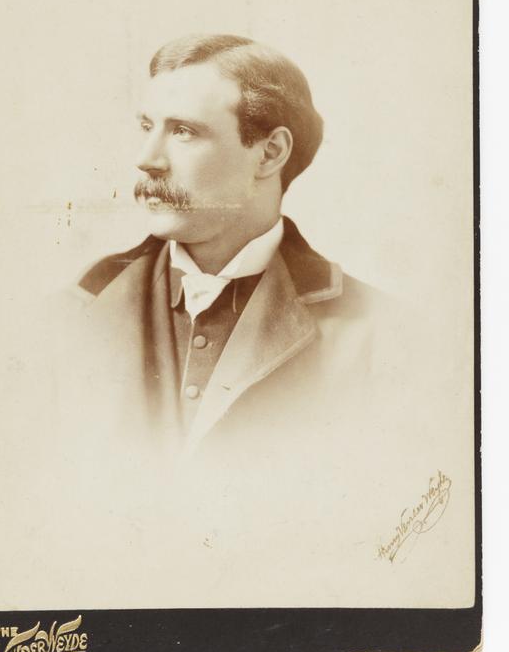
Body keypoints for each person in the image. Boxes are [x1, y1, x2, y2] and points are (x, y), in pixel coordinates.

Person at [75, 34, 392, 458]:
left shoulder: (375, 335)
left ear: (270, 153)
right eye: (148, 127)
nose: (147, 158)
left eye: (183, 131)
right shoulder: (73, 312)